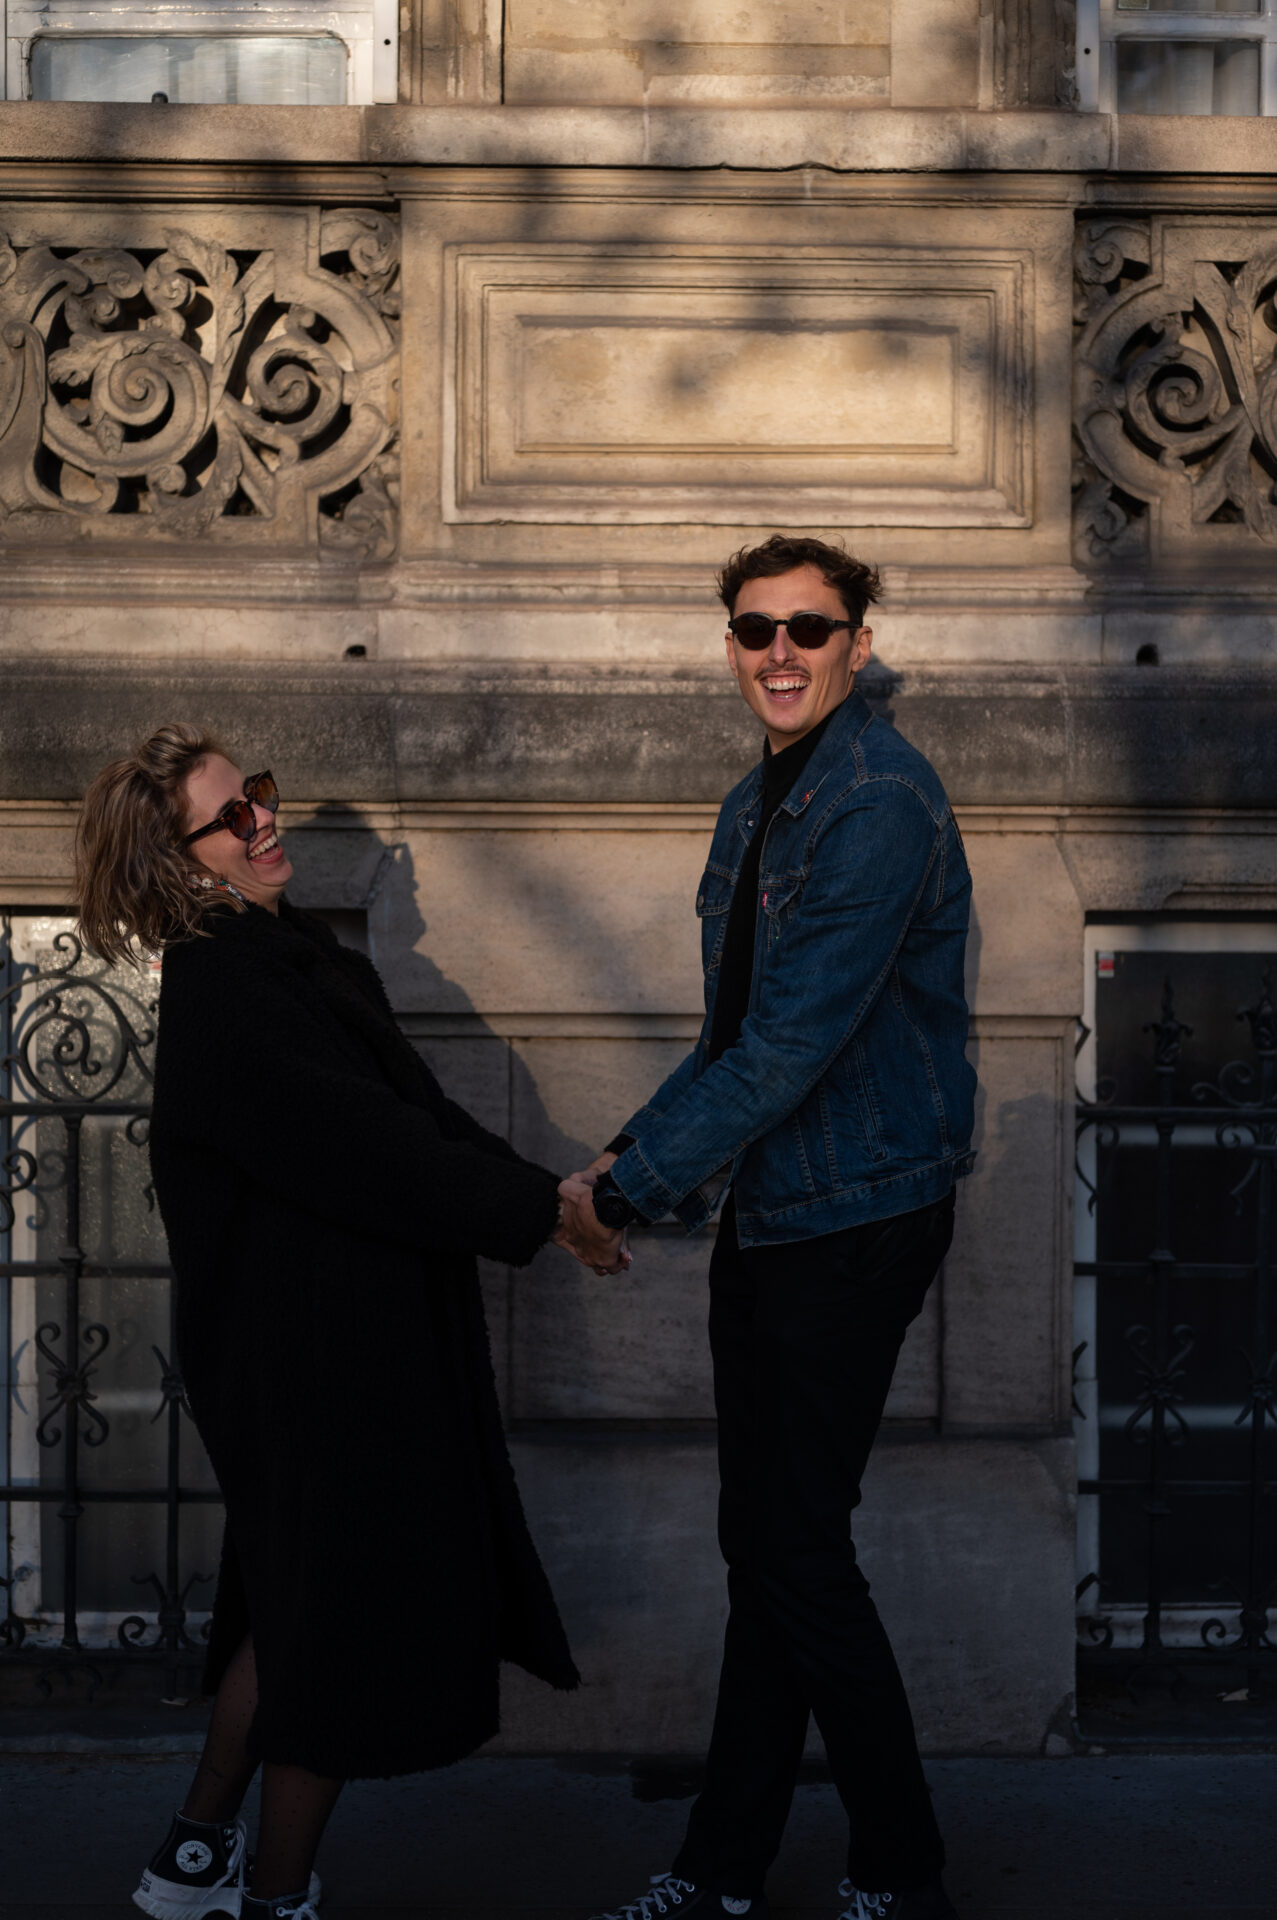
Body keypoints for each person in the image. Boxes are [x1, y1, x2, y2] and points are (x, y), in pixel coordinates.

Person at [74, 724, 620, 1920]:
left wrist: (553, 1201)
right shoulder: (226, 984)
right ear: (179, 864)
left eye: (258, 794)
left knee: (291, 1608)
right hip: (308, 1368)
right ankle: (274, 1898)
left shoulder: (294, 959)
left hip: (338, 1349)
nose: (265, 820)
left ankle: (188, 1865)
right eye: (233, 817)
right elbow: (363, 1146)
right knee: (331, 1631)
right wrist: (539, 1211)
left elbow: (417, 1116)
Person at [559, 535, 977, 1920]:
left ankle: (899, 1867)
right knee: (773, 1547)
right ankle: (722, 1868)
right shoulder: (760, 804)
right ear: (730, 643)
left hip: (857, 1213)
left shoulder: (878, 804)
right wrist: (629, 1151)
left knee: (793, 1550)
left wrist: (623, 1190)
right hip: (781, 1209)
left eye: (811, 629)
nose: (780, 654)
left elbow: (791, 1045)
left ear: (859, 644)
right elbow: (733, 1034)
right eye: (755, 630)